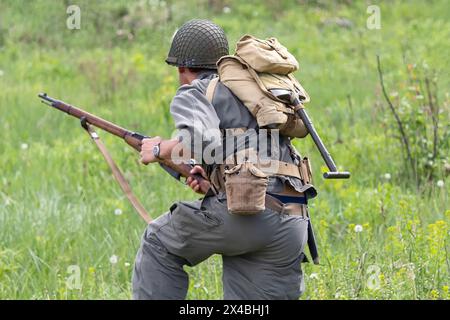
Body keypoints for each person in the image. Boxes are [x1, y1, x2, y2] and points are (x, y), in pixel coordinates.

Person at [132, 19, 316, 300]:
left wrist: (160, 149)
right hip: (292, 218)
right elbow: (246, 148)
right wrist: (212, 177)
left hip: (249, 215)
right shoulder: (255, 90)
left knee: (158, 240)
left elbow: (202, 141)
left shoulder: (195, 92)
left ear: (181, 68)